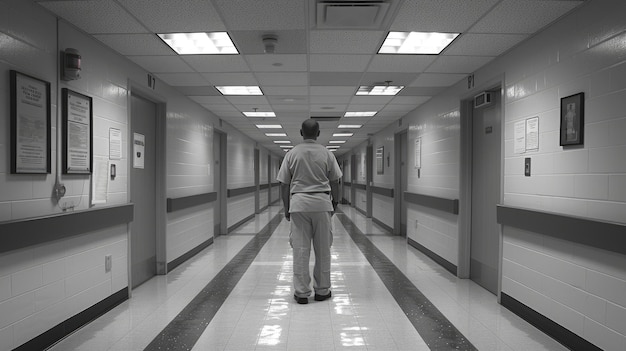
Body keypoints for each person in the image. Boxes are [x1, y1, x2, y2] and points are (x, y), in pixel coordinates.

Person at [277, 119, 342, 304]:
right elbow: (335, 182)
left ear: (301, 132)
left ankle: (302, 292)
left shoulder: (292, 154)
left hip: (299, 204)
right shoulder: (327, 154)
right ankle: (322, 290)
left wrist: (286, 207)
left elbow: (284, 184)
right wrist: (335, 203)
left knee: (300, 250)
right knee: (323, 250)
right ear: (319, 133)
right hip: (322, 204)